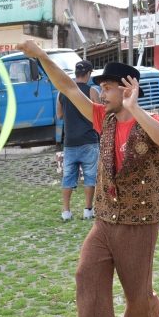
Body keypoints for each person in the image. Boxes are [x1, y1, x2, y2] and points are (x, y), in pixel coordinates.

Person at [16, 40, 159, 317]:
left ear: (128, 89)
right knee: (87, 272)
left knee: (138, 293)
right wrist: (42, 56)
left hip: (140, 220)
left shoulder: (150, 120)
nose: (100, 94)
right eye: (101, 87)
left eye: (107, 88)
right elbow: (68, 87)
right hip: (105, 218)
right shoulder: (101, 117)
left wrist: (136, 110)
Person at [56, 60, 100, 221]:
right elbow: (100, 113)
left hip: (70, 141)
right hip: (89, 140)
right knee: (90, 177)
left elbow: (59, 115)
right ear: (88, 74)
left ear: (76, 73)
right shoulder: (92, 91)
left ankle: (66, 212)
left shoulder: (63, 92)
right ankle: (88, 210)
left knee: (68, 178)